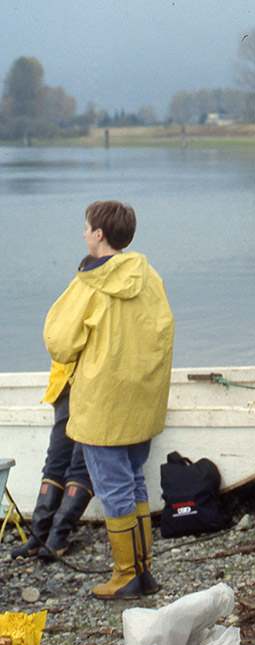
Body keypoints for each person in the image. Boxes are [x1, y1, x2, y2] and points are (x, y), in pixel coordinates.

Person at [43, 200, 174, 600]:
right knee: (134, 481)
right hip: (140, 401)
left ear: (99, 234)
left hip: (104, 405)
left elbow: (60, 344)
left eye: (86, 227)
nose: (83, 233)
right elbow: (163, 329)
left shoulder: (89, 284)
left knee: (115, 488)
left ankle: (125, 575)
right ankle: (143, 569)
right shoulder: (148, 274)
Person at [10, 359, 94, 561]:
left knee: (69, 461)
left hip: (76, 381)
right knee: (66, 463)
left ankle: (51, 536)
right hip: (81, 380)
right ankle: (45, 536)